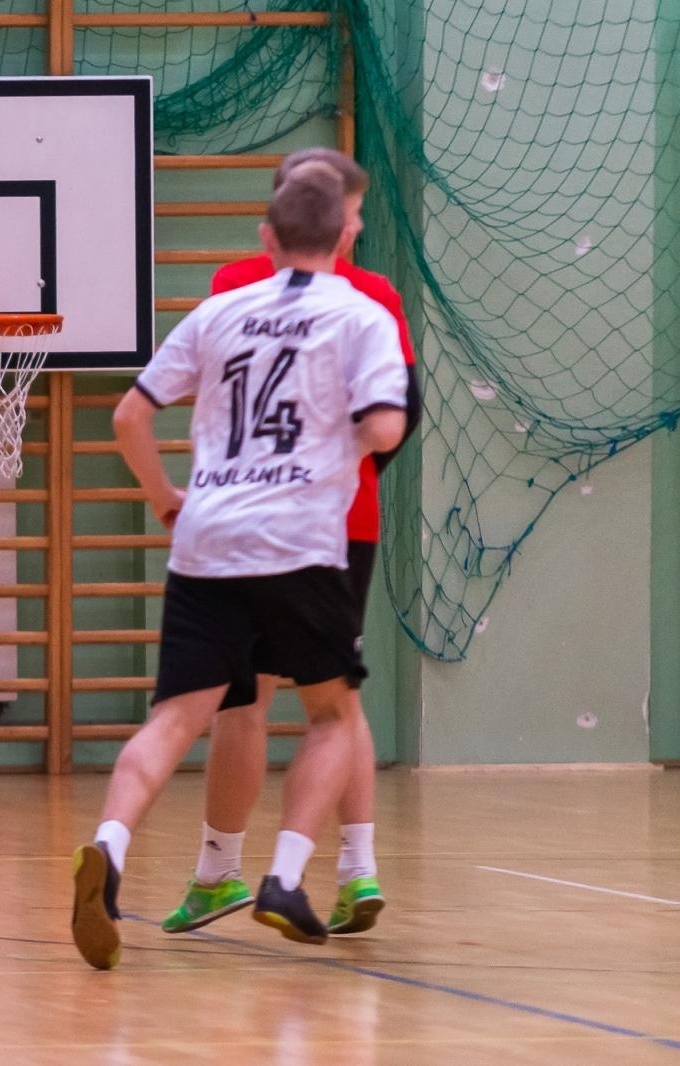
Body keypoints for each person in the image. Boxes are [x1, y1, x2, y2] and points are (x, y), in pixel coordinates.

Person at [70, 163, 410, 970]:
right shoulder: (362, 313)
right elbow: (390, 429)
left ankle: (109, 848)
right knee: (331, 713)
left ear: (267, 236)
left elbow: (129, 415)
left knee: (178, 719)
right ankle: (287, 878)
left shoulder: (221, 306)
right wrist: (336, 446)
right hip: (300, 539)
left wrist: (164, 500)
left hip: (208, 538)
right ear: (345, 233)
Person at [160, 148, 421, 938]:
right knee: (336, 700)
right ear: (336, 220)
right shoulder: (372, 296)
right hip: (342, 522)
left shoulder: (231, 287)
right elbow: (399, 424)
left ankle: (218, 872)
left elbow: (216, 409)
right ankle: (355, 868)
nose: (362, 223)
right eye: (356, 210)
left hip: (249, 523)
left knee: (246, 700)